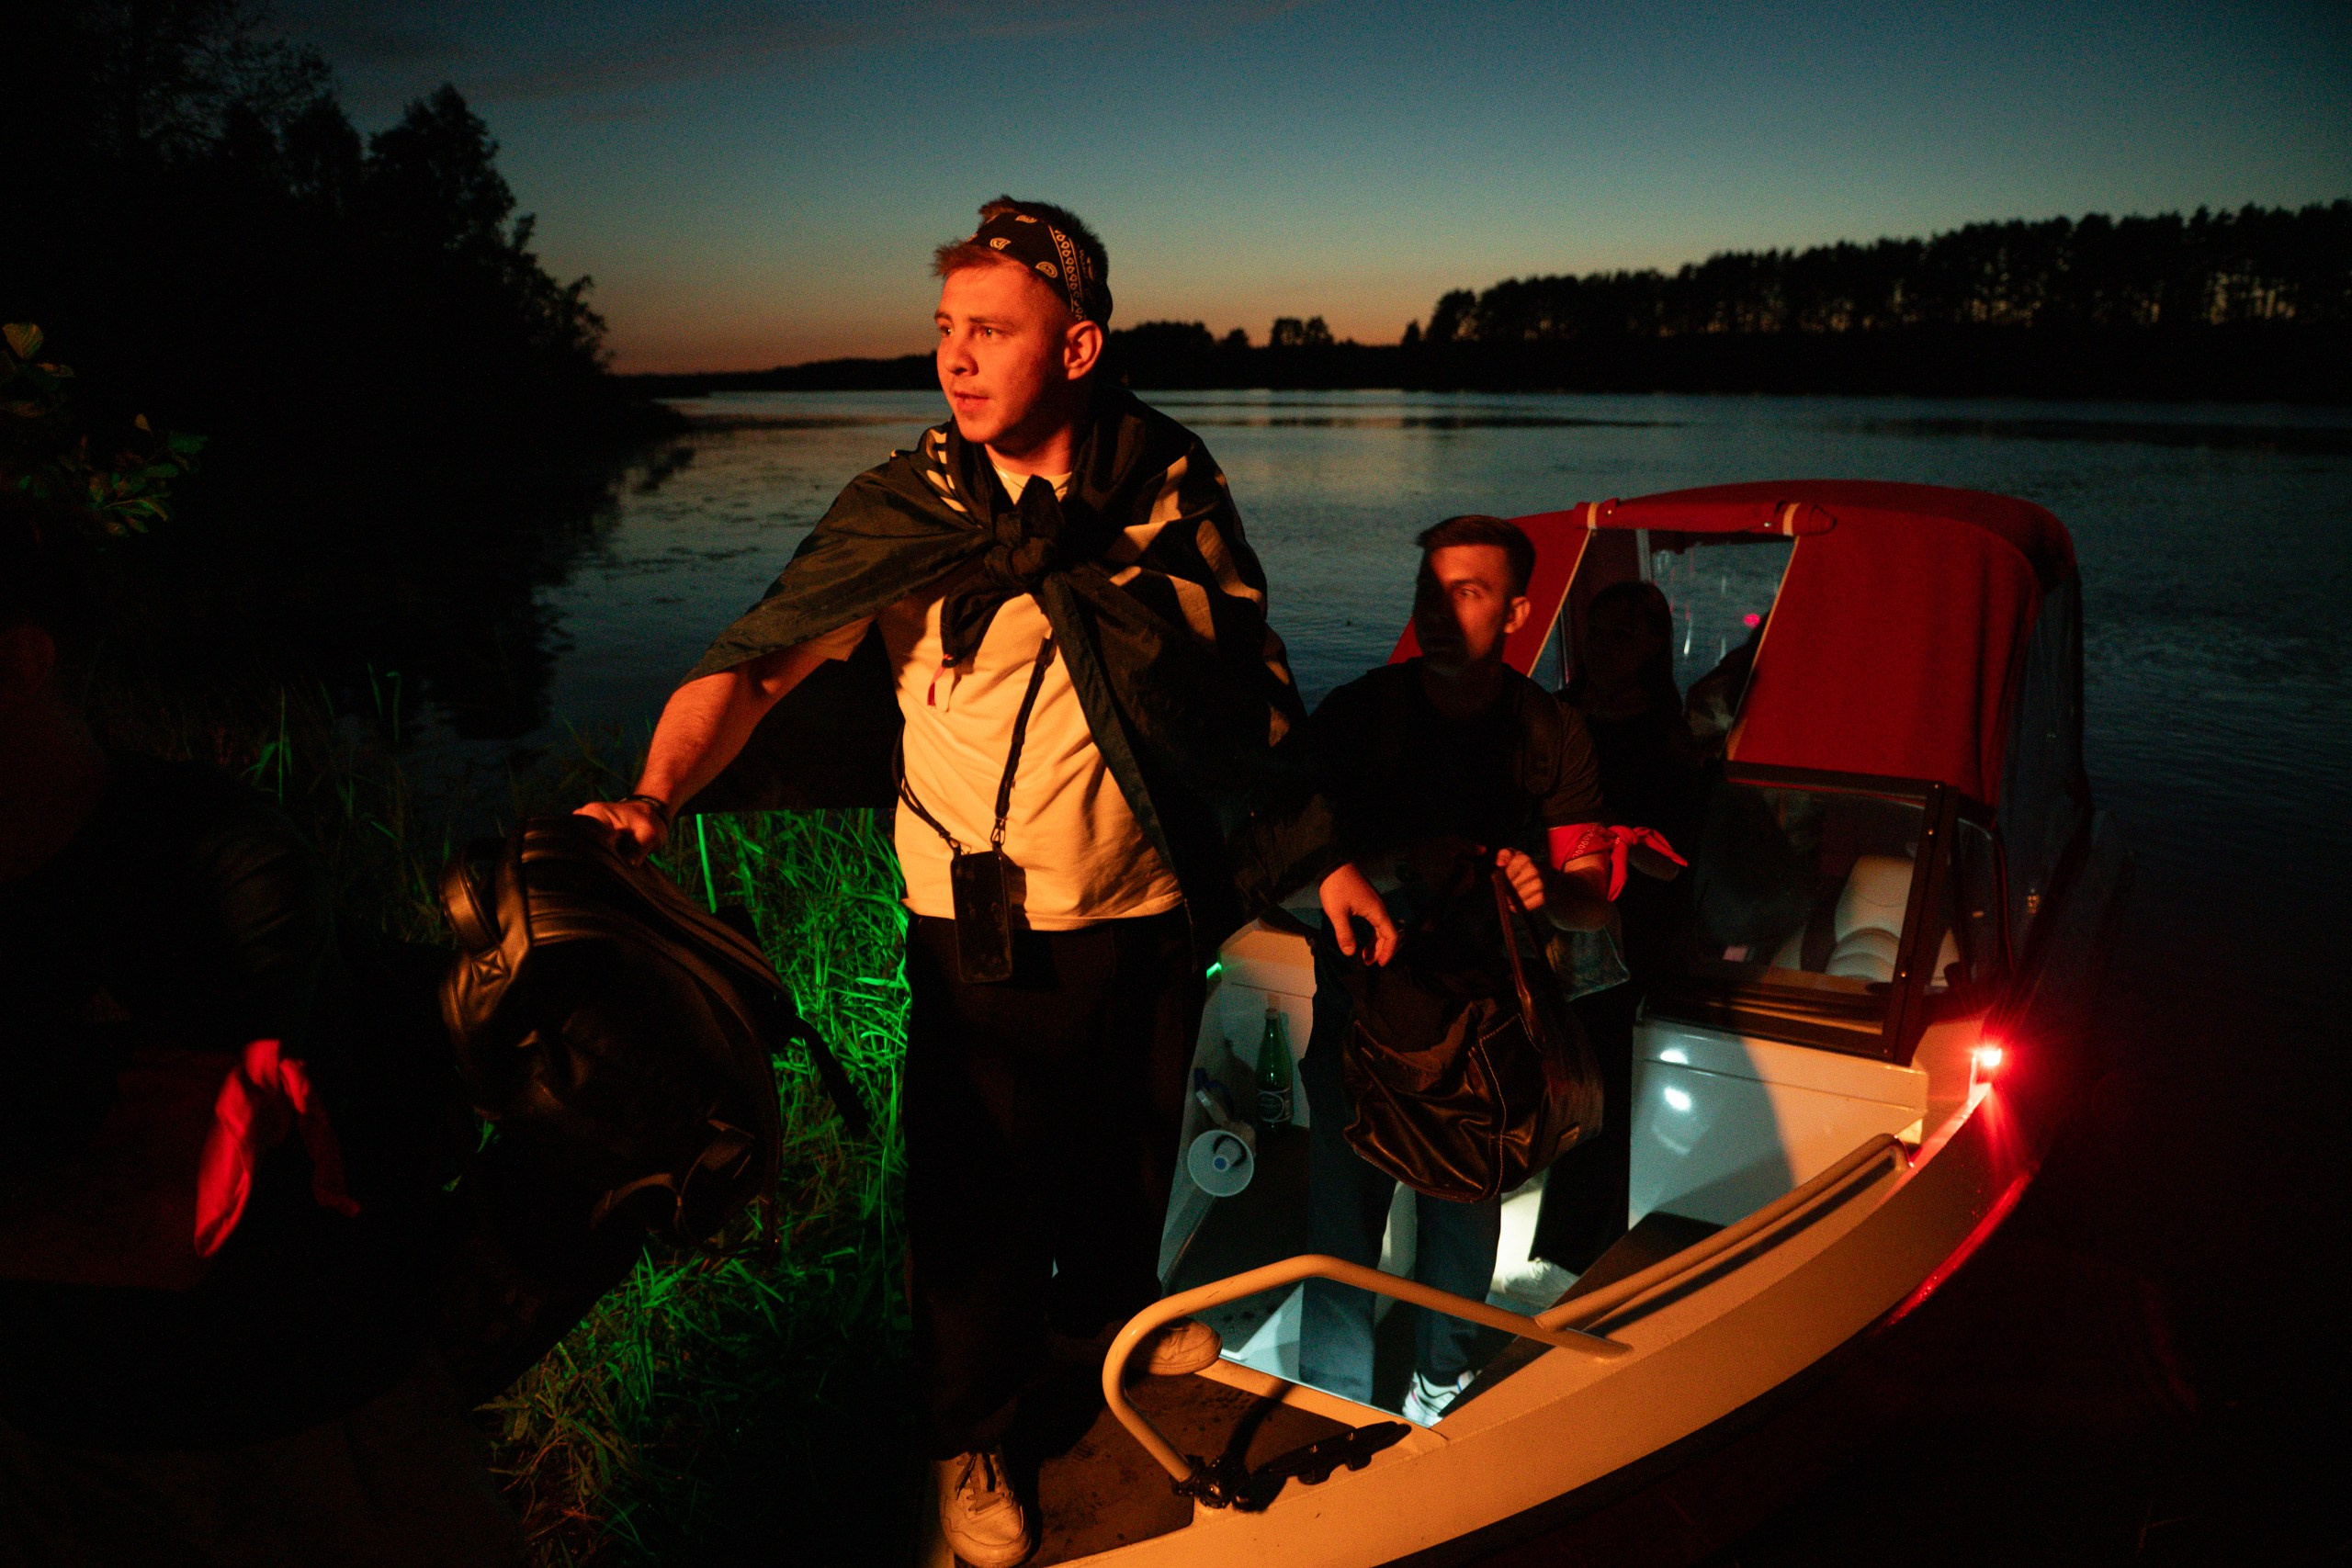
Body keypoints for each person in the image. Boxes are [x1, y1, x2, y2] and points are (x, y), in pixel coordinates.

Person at [575, 197, 1317, 1567]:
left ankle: (1107, 1324)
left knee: (1130, 1144)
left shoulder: (1166, 484)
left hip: (1147, 903)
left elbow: (1240, 687)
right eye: (944, 330)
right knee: (972, 1195)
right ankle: (972, 1430)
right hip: (981, 926)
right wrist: (655, 791)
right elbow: (756, 664)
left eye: (992, 329)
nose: (956, 359)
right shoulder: (909, 508)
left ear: (1080, 345)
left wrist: (1312, 860)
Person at [0, 498, 520, 1567]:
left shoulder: (219, 861)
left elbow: (166, 1218)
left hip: (295, 1429)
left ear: (20, 662)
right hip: (47, 1440)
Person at [1295, 515, 1614, 1424]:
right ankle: (1337, 1405)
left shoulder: (1551, 730)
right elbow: (1282, 838)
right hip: (1365, 1008)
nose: (1439, 612)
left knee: (1465, 1210)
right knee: (1340, 1219)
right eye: (1429, 591)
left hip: (1489, 1027)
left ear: (1518, 610)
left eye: (1467, 593)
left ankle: (1443, 1385)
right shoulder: (1359, 713)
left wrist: (1542, 885)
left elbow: (1593, 894)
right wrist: (1387, 868)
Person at [1532, 579, 1703, 1273]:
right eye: (1595, 634)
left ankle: (1575, 1247)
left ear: (1654, 645)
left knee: (1599, 1079)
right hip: (1548, 908)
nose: (1603, 649)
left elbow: (1678, 857)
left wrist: (1617, 843)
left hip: (1622, 933)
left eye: (1621, 636)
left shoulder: (1669, 736)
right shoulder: (1554, 714)